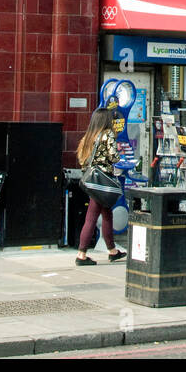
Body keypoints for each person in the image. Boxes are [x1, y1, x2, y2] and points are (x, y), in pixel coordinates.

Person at [74, 107, 126, 266]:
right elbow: (113, 157)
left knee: (107, 213)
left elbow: (82, 160)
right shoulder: (107, 134)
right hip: (102, 182)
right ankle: (81, 254)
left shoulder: (88, 137)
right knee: (91, 217)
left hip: (93, 181)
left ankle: (112, 251)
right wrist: (118, 152)